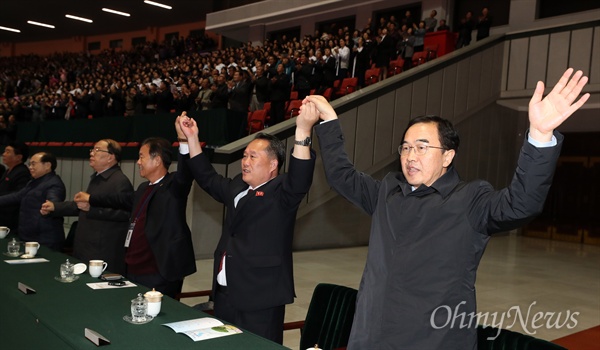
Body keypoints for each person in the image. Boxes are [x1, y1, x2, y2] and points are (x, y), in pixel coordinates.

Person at [304, 68, 589, 349]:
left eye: (422, 147)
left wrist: (539, 136)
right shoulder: (387, 191)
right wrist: (329, 121)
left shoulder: (469, 199)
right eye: (405, 147)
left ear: (448, 156)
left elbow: (521, 204)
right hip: (371, 336)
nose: (410, 156)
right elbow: (342, 176)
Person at [177, 103, 316, 344]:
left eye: (253, 156)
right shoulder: (237, 187)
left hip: (260, 299)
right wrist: (192, 138)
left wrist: (303, 131)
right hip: (224, 297)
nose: (245, 161)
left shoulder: (282, 192)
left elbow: (301, 176)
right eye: (244, 155)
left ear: (273, 165)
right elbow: (206, 177)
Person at [74, 135, 196, 298]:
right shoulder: (143, 188)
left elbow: (186, 172)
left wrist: (183, 141)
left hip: (159, 270)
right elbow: (119, 199)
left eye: (141, 157)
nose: (138, 162)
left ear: (157, 160)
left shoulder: (173, 186)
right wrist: (91, 198)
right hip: (134, 266)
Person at [40, 140, 133, 275]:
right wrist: (55, 207)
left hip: (103, 250)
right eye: (92, 150)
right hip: (87, 245)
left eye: (97, 150)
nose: (91, 153)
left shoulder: (119, 181)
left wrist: (92, 209)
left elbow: (125, 214)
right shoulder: (98, 178)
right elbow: (82, 206)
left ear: (110, 157)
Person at [0, 152, 66, 250]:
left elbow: (53, 203)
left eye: (33, 164)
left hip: (45, 239)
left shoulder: (54, 184)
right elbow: (16, 196)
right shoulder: (34, 182)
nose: (30, 167)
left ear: (47, 165)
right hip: (30, 236)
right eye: (30, 164)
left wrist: (51, 205)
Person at [0, 142, 31, 235]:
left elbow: (18, 195)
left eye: (8, 152)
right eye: (4, 151)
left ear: (18, 157)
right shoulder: (8, 170)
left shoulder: (22, 172)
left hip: (11, 219)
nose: (3, 154)